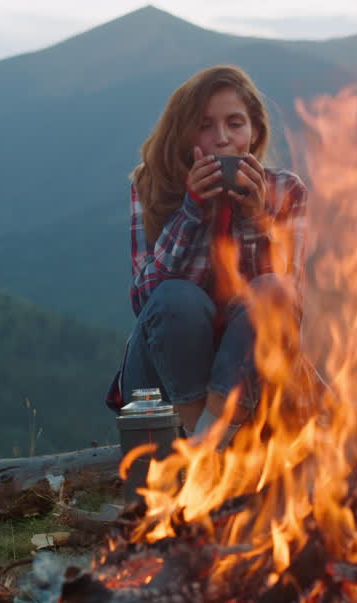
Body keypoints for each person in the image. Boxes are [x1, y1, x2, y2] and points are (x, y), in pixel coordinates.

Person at [105, 65, 308, 444]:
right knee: (177, 295)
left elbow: (285, 298)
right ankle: (208, 437)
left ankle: (206, 443)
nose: (222, 139)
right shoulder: (150, 185)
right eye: (205, 125)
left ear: (255, 132)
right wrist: (192, 212)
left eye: (235, 124)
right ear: (185, 134)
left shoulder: (287, 190)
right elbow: (147, 299)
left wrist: (255, 218)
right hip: (163, 381)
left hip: (249, 378)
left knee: (273, 290)